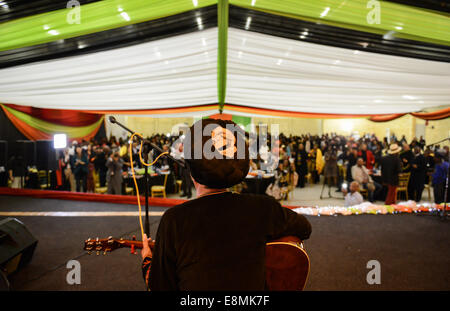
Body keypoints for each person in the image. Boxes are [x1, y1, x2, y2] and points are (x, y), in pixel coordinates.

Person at [141, 119, 312, 290]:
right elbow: (304, 227)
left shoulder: (174, 221)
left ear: (191, 170)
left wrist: (147, 259)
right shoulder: (263, 208)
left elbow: (159, 286)